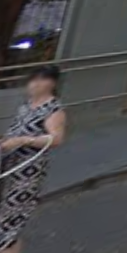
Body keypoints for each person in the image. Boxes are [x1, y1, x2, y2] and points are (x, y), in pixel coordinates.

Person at [0, 65, 67, 252]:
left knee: (10, 221)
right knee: (5, 219)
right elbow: (16, 128)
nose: (34, 84)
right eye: (33, 80)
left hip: (27, 171)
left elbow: (56, 139)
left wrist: (23, 140)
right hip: (9, 163)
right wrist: (6, 140)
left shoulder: (54, 109)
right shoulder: (27, 104)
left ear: (52, 83)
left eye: (41, 80)